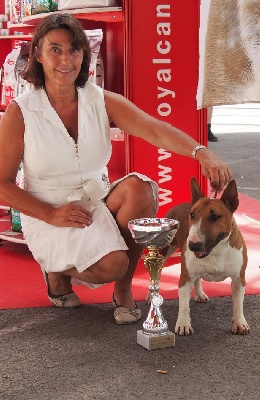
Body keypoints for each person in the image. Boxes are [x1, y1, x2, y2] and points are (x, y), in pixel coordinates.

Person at [0, 14, 231, 325]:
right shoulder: (21, 111)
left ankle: (123, 290)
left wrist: (201, 152)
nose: (66, 60)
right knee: (112, 263)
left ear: (84, 54)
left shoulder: (98, 100)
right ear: (38, 54)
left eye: (74, 50)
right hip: (47, 211)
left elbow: (155, 130)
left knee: (141, 188)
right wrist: (51, 214)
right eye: (55, 49)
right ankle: (54, 268)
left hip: (95, 201)